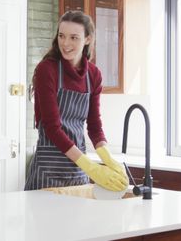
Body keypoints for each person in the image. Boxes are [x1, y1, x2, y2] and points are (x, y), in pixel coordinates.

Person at [25, 11, 128, 191]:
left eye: (74, 37)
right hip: (48, 171)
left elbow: (94, 126)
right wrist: (90, 167)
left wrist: (108, 159)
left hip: (78, 171)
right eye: (62, 36)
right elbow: (52, 128)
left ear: (87, 39)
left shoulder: (93, 75)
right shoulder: (47, 69)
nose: (65, 43)